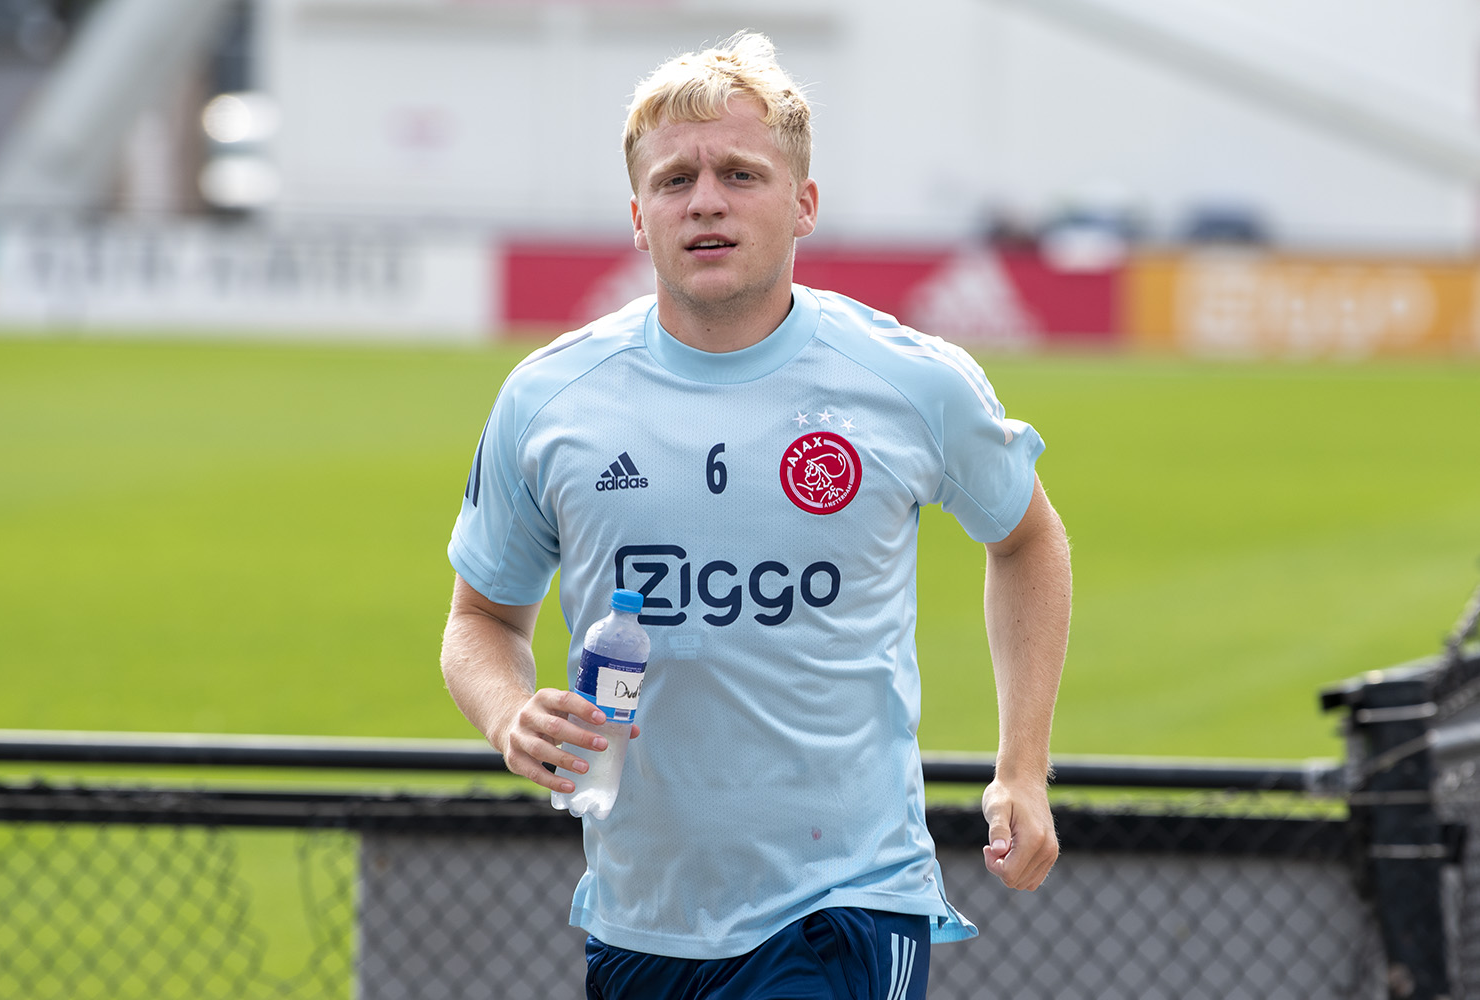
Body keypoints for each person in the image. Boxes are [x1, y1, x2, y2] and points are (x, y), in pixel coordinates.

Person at [440, 30, 1071, 1000]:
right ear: (639, 217)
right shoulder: (549, 398)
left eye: (740, 173)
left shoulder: (908, 382)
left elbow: (1026, 537)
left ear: (804, 203)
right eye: (674, 180)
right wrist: (508, 713)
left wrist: (1021, 768)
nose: (706, 200)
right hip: (638, 916)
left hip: (844, 903)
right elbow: (479, 618)